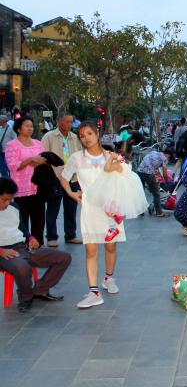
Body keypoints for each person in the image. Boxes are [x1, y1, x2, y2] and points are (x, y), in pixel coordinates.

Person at [58, 122, 124, 308]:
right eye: (81, 136)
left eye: (89, 133)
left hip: (110, 209)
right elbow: (64, 177)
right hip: (89, 210)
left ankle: (109, 278)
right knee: (90, 250)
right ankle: (94, 292)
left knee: (110, 247)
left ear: (97, 134)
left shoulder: (111, 156)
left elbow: (123, 179)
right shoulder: (76, 158)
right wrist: (71, 193)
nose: (85, 138)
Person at [0, 177, 71, 313]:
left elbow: (22, 228)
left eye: (10, 199)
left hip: (22, 248)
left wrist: (31, 238)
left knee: (64, 258)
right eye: (4, 200)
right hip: (4, 253)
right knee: (23, 268)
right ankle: (25, 297)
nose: (7, 203)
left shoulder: (13, 207)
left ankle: (40, 290)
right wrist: (1, 251)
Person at [42, 113, 83, 247]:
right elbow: (43, 157)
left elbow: (80, 156)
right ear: (59, 121)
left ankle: (71, 235)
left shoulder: (74, 138)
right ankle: (51, 237)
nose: (69, 125)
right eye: (66, 122)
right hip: (55, 178)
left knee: (71, 208)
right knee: (53, 209)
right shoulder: (49, 137)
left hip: (72, 178)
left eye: (71, 122)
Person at [5, 116, 47, 246]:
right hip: (21, 189)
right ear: (18, 128)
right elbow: (13, 166)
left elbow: (44, 160)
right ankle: (23, 247)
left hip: (38, 188)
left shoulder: (38, 143)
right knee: (22, 221)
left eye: (31, 126)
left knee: (39, 221)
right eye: (27, 126)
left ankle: (38, 247)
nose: (30, 128)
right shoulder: (12, 145)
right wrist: (31, 160)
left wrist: (40, 162)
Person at [136, 147, 175, 218]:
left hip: (139, 171)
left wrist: (156, 176)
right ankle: (159, 212)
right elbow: (165, 173)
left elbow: (153, 165)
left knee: (141, 192)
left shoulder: (154, 152)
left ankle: (140, 211)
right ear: (169, 155)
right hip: (148, 174)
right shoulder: (164, 159)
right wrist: (166, 181)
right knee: (156, 193)